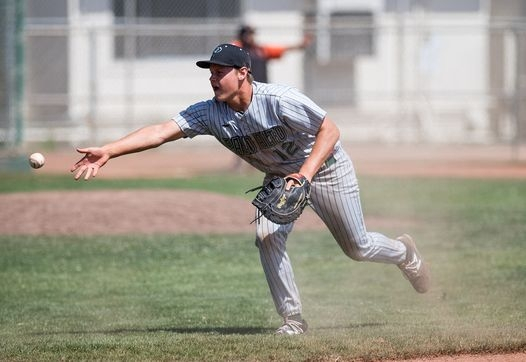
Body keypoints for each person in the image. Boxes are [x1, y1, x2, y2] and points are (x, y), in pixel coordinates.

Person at [71, 43, 430, 335]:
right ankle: (293, 321)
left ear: (243, 73)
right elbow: (161, 131)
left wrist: (303, 175)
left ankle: (404, 253)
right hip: (279, 176)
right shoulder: (210, 113)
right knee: (267, 235)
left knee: (357, 246)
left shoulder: (279, 99)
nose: (213, 80)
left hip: (326, 169)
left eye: (220, 72)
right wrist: (109, 150)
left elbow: (330, 131)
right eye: (210, 74)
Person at [233, 25, 312, 83]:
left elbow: (283, 49)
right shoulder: (236, 48)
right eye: (247, 34)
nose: (250, 37)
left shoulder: (260, 50)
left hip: (261, 85)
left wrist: (300, 45)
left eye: (251, 34)